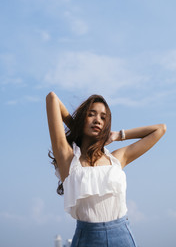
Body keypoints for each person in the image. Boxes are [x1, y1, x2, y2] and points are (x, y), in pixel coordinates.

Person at [46, 92, 166, 247]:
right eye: (91, 115)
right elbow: (52, 98)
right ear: (83, 118)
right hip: (87, 239)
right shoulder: (68, 158)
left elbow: (160, 129)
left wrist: (117, 135)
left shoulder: (116, 159)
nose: (97, 120)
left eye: (103, 118)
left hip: (122, 236)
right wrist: (77, 128)